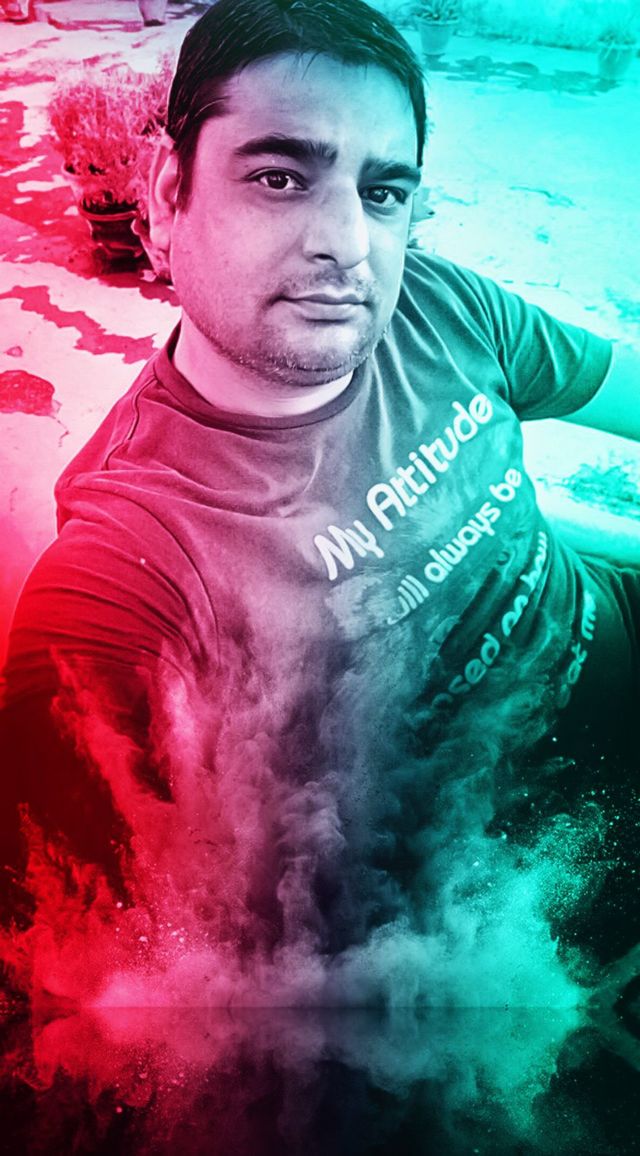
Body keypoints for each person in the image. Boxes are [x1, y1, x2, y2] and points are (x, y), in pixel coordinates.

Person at [1, 0, 639, 987]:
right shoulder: (128, 576)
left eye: (382, 193)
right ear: (166, 193)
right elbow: (90, 987)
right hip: (529, 900)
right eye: (279, 177)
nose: (346, 241)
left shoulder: (441, 308)